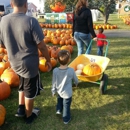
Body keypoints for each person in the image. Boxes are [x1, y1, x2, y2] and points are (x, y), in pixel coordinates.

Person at [0, 0, 52, 124]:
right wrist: (48, 60)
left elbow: (2, 44)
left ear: (11, 4)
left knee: (22, 84)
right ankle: (29, 116)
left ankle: (21, 108)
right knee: (30, 90)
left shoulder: (3, 21)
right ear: (26, 5)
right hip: (29, 64)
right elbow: (42, 46)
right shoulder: (31, 21)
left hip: (13, 62)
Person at [51, 50, 78, 124]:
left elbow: (54, 81)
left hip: (59, 91)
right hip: (67, 93)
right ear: (69, 60)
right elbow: (75, 79)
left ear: (57, 60)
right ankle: (66, 119)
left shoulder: (55, 70)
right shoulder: (71, 70)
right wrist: (76, 83)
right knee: (66, 106)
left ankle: (58, 110)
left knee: (59, 99)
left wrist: (53, 90)